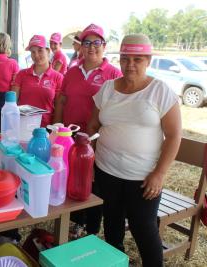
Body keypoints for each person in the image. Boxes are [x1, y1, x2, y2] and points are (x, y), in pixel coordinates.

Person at [88, 34, 181, 266]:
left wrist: (159, 174)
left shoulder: (160, 91)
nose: (130, 64)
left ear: (148, 60)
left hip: (142, 178)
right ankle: (117, 262)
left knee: (144, 230)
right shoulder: (107, 88)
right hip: (106, 171)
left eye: (137, 59)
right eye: (125, 58)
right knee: (111, 225)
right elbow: (92, 125)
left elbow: (173, 136)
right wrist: (88, 158)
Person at [53, 23, 122, 237]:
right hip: (69, 136)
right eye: (87, 42)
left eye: (96, 42)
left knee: (93, 183)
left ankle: (91, 228)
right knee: (71, 177)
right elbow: (62, 101)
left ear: (104, 45)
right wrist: (56, 129)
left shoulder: (113, 73)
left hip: (96, 138)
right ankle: (75, 222)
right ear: (80, 46)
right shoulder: (72, 71)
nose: (91, 47)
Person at [12, 35, 63, 127]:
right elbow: (12, 103)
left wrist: (54, 130)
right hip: (22, 126)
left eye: (40, 50)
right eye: (33, 52)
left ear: (47, 51)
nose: (36, 55)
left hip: (45, 129)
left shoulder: (58, 77)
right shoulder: (21, 74)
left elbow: (59, 108)